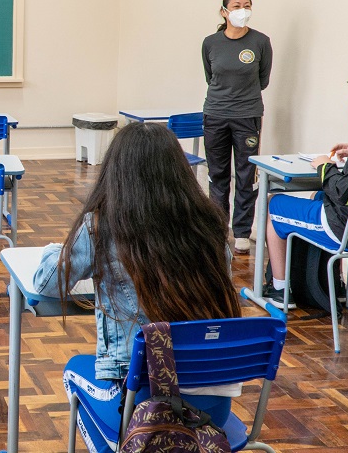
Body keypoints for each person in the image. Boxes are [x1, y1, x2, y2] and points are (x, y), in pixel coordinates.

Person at [34, 123, 242, 453]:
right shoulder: (211, 226)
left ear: (116, 173)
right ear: (180, 171)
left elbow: (46, 283)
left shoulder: (102, 226)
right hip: (214, 409)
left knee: (72, 372)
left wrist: (53, 249)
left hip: (141, 406)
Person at [264, 67, 348, 309]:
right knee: (318, 195)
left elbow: (346, 193)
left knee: (275, 205)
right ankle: (336, 285)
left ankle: (280, 291)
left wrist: (324, 166)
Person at [202, 0, 273, 254]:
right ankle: (218, 229)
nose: (242, 10)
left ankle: (242, 232)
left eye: (247, 5)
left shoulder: (261, 41)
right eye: (236, 6)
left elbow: (263, 79)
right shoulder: (210, 42)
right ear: (224, 11)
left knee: (246, 175)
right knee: (217, 175)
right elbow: (211, 77)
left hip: (248, 116)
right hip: (215, 115)